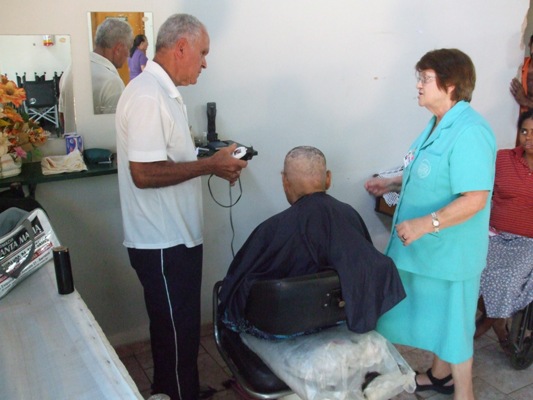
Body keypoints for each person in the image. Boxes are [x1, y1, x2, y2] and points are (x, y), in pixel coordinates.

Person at [115, 14, 247, 400]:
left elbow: (168, 161)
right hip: (161, 241)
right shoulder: (146, 96)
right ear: (182, 47)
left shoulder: (166, 94)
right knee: (176, 331)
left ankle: (173, 388)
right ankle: (178, 392)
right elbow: (143, 173)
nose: (205, 63)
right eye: (203, 53)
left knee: (177, 328)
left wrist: (214, 164)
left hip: (176, 237)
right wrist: (210, 165)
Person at [364, 49, 496, 400]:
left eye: (425, 78)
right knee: (437, 321)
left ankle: (463, 392)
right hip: (425, 250)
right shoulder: (438, 123)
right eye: (419, 77)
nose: (418, 85)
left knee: (454, 326)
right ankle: (440, 377)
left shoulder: (470, 132)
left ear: (450, 85)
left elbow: (475, 199)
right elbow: (427, 172)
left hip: (450, 253)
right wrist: (391, 183)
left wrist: (425, 223)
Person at [219, 146, 406, 337]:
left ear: (284, 181)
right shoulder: (350, 215)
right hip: (337, 322)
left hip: (285, 328)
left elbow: (234, 290)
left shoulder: (271, 229)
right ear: (328, 179)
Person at [475, 109, 533, 346]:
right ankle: (497, 321)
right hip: (494, 235)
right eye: (524, 131)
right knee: (474, 270)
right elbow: (478, 187)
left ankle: (491, 322)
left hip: (528, 242)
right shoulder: (503, 159)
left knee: (509, 278)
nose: (528, 137)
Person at [91, 18, 133, 114]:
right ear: (118, 49)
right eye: (129, 48)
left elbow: (63, 117)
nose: (129, 55)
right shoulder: (112, 82)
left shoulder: (71, 69)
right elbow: (114, 127)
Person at [510, 35, 533, 117]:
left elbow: (523, 100)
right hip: (521, 122)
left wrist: (525, 101)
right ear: (530, 45)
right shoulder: (521, 65)